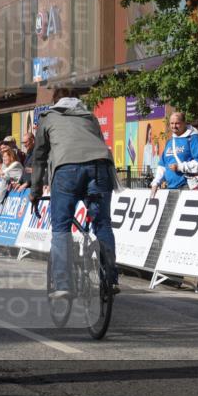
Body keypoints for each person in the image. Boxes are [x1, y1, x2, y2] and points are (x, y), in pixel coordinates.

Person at [30, 87, 120, 300]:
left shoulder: (48, 117)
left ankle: (63, 285)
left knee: (61, 227)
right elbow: (99, 142)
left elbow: (39, 157)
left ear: (55, 102)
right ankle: (110, 277)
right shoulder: (89, 116)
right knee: (102, 223)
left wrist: (35, 191)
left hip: (66, 169)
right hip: (100, 167)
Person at [149, 111, 198, 194]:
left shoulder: (193, 138)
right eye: (172, 123)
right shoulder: (170, 142)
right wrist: (156, 182)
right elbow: (162, 165)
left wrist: (180, 167)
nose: (174, 126)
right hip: (171, 187)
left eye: (177, 123)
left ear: (184, 123)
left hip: (188, 187)